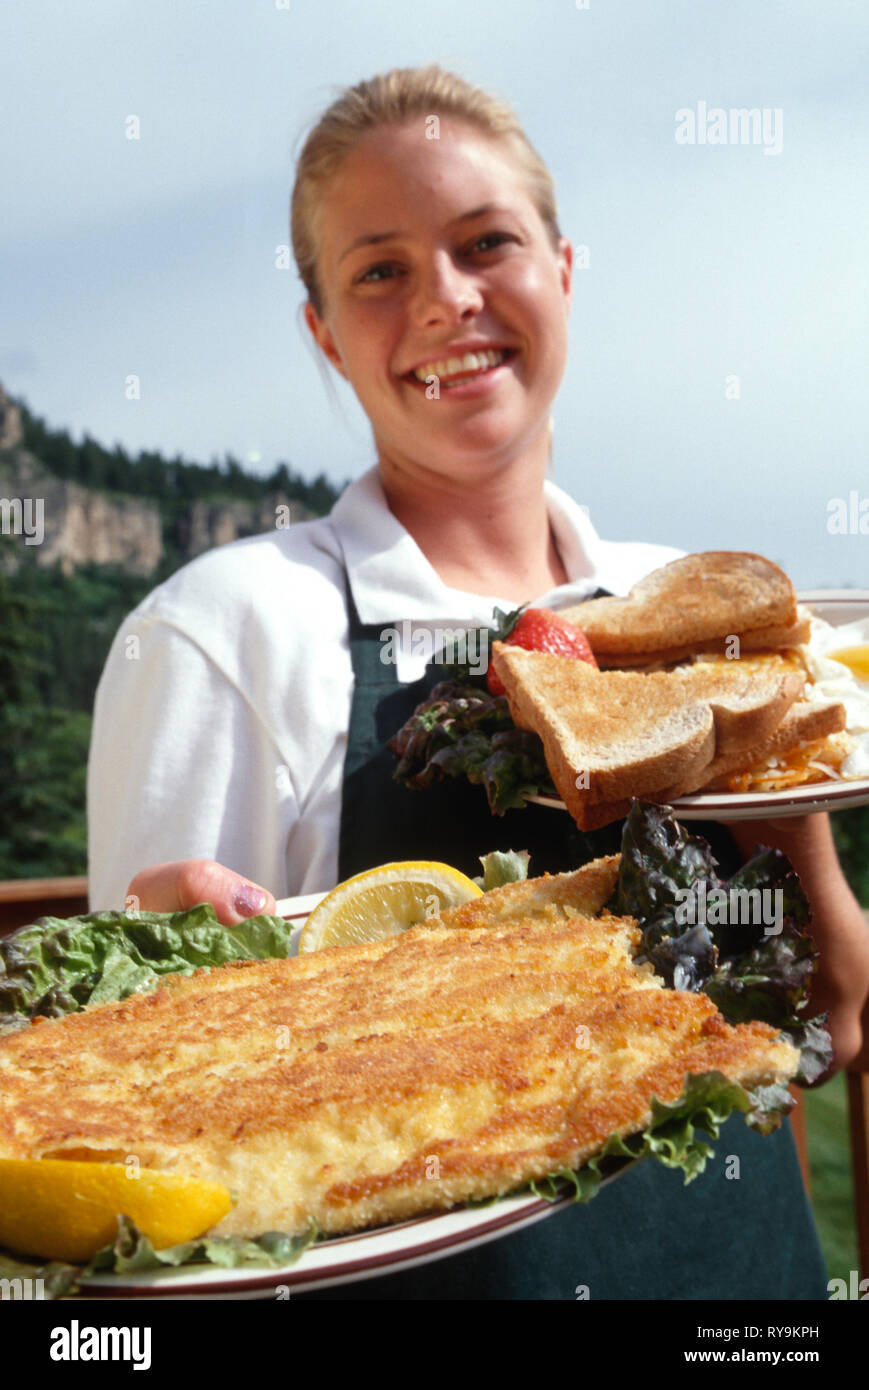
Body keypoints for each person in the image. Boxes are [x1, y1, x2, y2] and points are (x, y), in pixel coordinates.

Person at [87, 64, 869, 1300]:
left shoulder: (683, 603)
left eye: (484, 242)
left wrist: (789, 783)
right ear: (322, 332)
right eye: (379, 270)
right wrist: (169, 972)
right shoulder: (221, 629)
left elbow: (827, 1013)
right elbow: (151, 1137)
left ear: (562, 269)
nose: (446, 300)